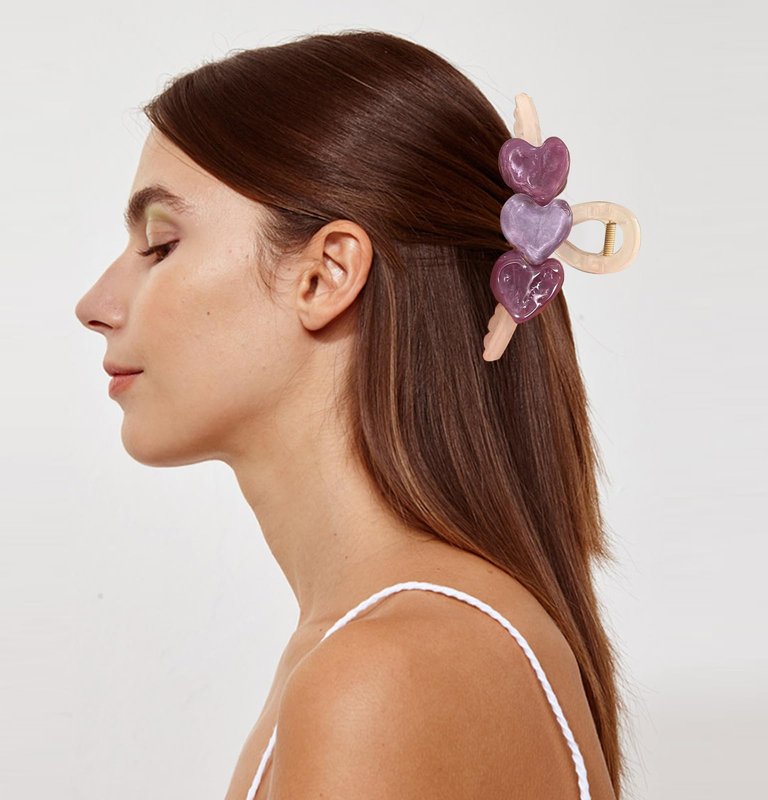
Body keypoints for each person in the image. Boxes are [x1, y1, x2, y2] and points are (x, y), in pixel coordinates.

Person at [75, 29, 630, 800]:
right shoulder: (394, 642)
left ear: (326, 274)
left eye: (161, 244)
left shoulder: (385, 670)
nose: (95, 305)